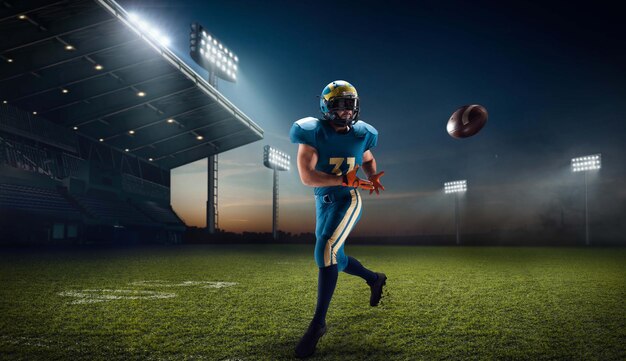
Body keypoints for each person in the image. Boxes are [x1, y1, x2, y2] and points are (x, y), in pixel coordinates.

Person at [289, 80, 387, 358]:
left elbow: (367, 158)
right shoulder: (311, 131)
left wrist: (371, 175)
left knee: (325, 249)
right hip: (324, 198)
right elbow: (307, 177)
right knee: (335, 256)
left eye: (350, 106)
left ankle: (318, 324)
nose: (345, 112)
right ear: (325, 106)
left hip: (349, 198)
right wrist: (341, 178)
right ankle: (374, 278)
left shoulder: (363, 133)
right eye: (339, 105)